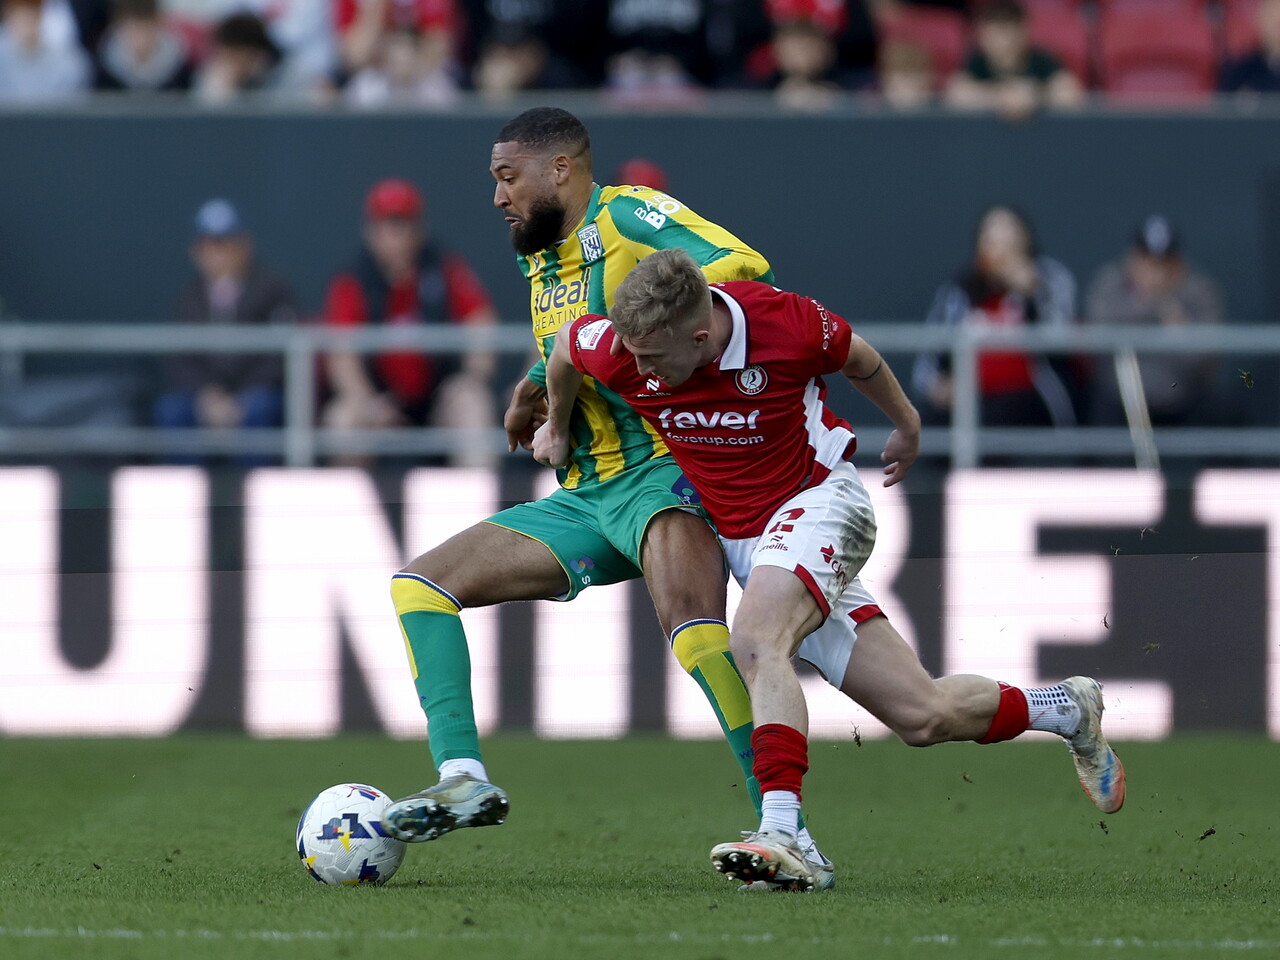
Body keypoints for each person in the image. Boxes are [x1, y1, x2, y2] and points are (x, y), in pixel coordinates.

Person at [536, 248, 1126, 891]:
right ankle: (1065, 709)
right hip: (755, 545)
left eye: (653, 358)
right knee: (924, 716)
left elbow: (859, 358)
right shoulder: (623, 349)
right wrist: (558, 426)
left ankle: (783, 831)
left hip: (820, 503)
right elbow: (566, 348)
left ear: (700, 337)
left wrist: (907, 425)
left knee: (755, 641)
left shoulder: (783, 324)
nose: (640, 371)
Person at [381, 107, 837, 891]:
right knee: (419, 585)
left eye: (508, 177)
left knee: (696, 634)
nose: (497, 196)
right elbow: (570, 347)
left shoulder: (626, 215)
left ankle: (786, 828)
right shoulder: (542, 255)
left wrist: (647, 340)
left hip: (664, 473)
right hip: (586, 495)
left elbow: (742, 265)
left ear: (561, 169)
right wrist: (535, 389)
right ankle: (463, 777)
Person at [321, 178, 497, 468]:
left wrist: (471, 376)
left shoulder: (442, 266)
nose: (395, 234)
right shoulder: (353, 278)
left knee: (472, 403)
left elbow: (482, 322)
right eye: (386, 224)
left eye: (403, 224)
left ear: (419, 228)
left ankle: (478, 498)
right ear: (370, 231)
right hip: (379, 399)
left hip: (436, 399)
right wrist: (369, 402)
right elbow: (342, 355)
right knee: (342, 418)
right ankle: (347, 499)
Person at [153, 198, 299, 464]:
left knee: (260, 408)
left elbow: (279, 358)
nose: (215, 253)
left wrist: (240, 399)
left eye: (223, 243)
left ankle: (251, 490)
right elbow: (180, 359)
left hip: (255, 394)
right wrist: (207, 395)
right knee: (172, 409)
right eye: (206, 244)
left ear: (244, 245)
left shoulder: (273, 290)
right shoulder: (189, 297)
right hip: (208, 397)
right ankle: (188, 490)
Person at [912, 204, 1079, 430]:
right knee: (928, 424)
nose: (1000, 247)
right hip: (970, 397)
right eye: (991, 237)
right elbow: (926, 365)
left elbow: (1060, 343)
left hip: (1029, 397)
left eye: (1008, 236)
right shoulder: (960, 290)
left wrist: (1031, 295)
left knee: (1001, 415)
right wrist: (939, 386)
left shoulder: (1049, 279)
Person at [1084, 215, 1224, 427]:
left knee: (1218, 413)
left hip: (1183, 398)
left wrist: (1175, 318)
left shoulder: (1200, 291)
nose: (1155, 272)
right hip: (1122, 399)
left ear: (1179, 263)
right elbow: (1097, 336)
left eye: (1164, 263)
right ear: (1132, 258)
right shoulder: (1110, 282)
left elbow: (1203, 360)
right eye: (1147, 260)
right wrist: (1151, 304)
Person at [943, 0, 1083, 122]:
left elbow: (1069, 93)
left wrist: (1034, 95)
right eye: (995, 33)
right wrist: (999, 96)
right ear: (982, 35)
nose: (1004, 42)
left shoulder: (1042, 60)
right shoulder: (976, 62)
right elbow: (956, 93)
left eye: (1008, 32)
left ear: (1023, 32)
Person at [93, 0, 193, 93]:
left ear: (159, 25)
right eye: (132, 28)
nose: (139, 36)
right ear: (119, 28)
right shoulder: (105, 69)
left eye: (146, 26)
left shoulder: (179, 68)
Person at [0, 0, 90, 103]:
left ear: (40, 16)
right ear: (9, 18)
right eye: (20, 17)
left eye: (31, 15)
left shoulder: (68, 64)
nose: (26, 23)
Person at [1220, 0, 1280, 94]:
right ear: (1260, 21)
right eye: (1272, 19)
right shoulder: (1240, 71)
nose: (1277, 27)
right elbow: (1223, 100)